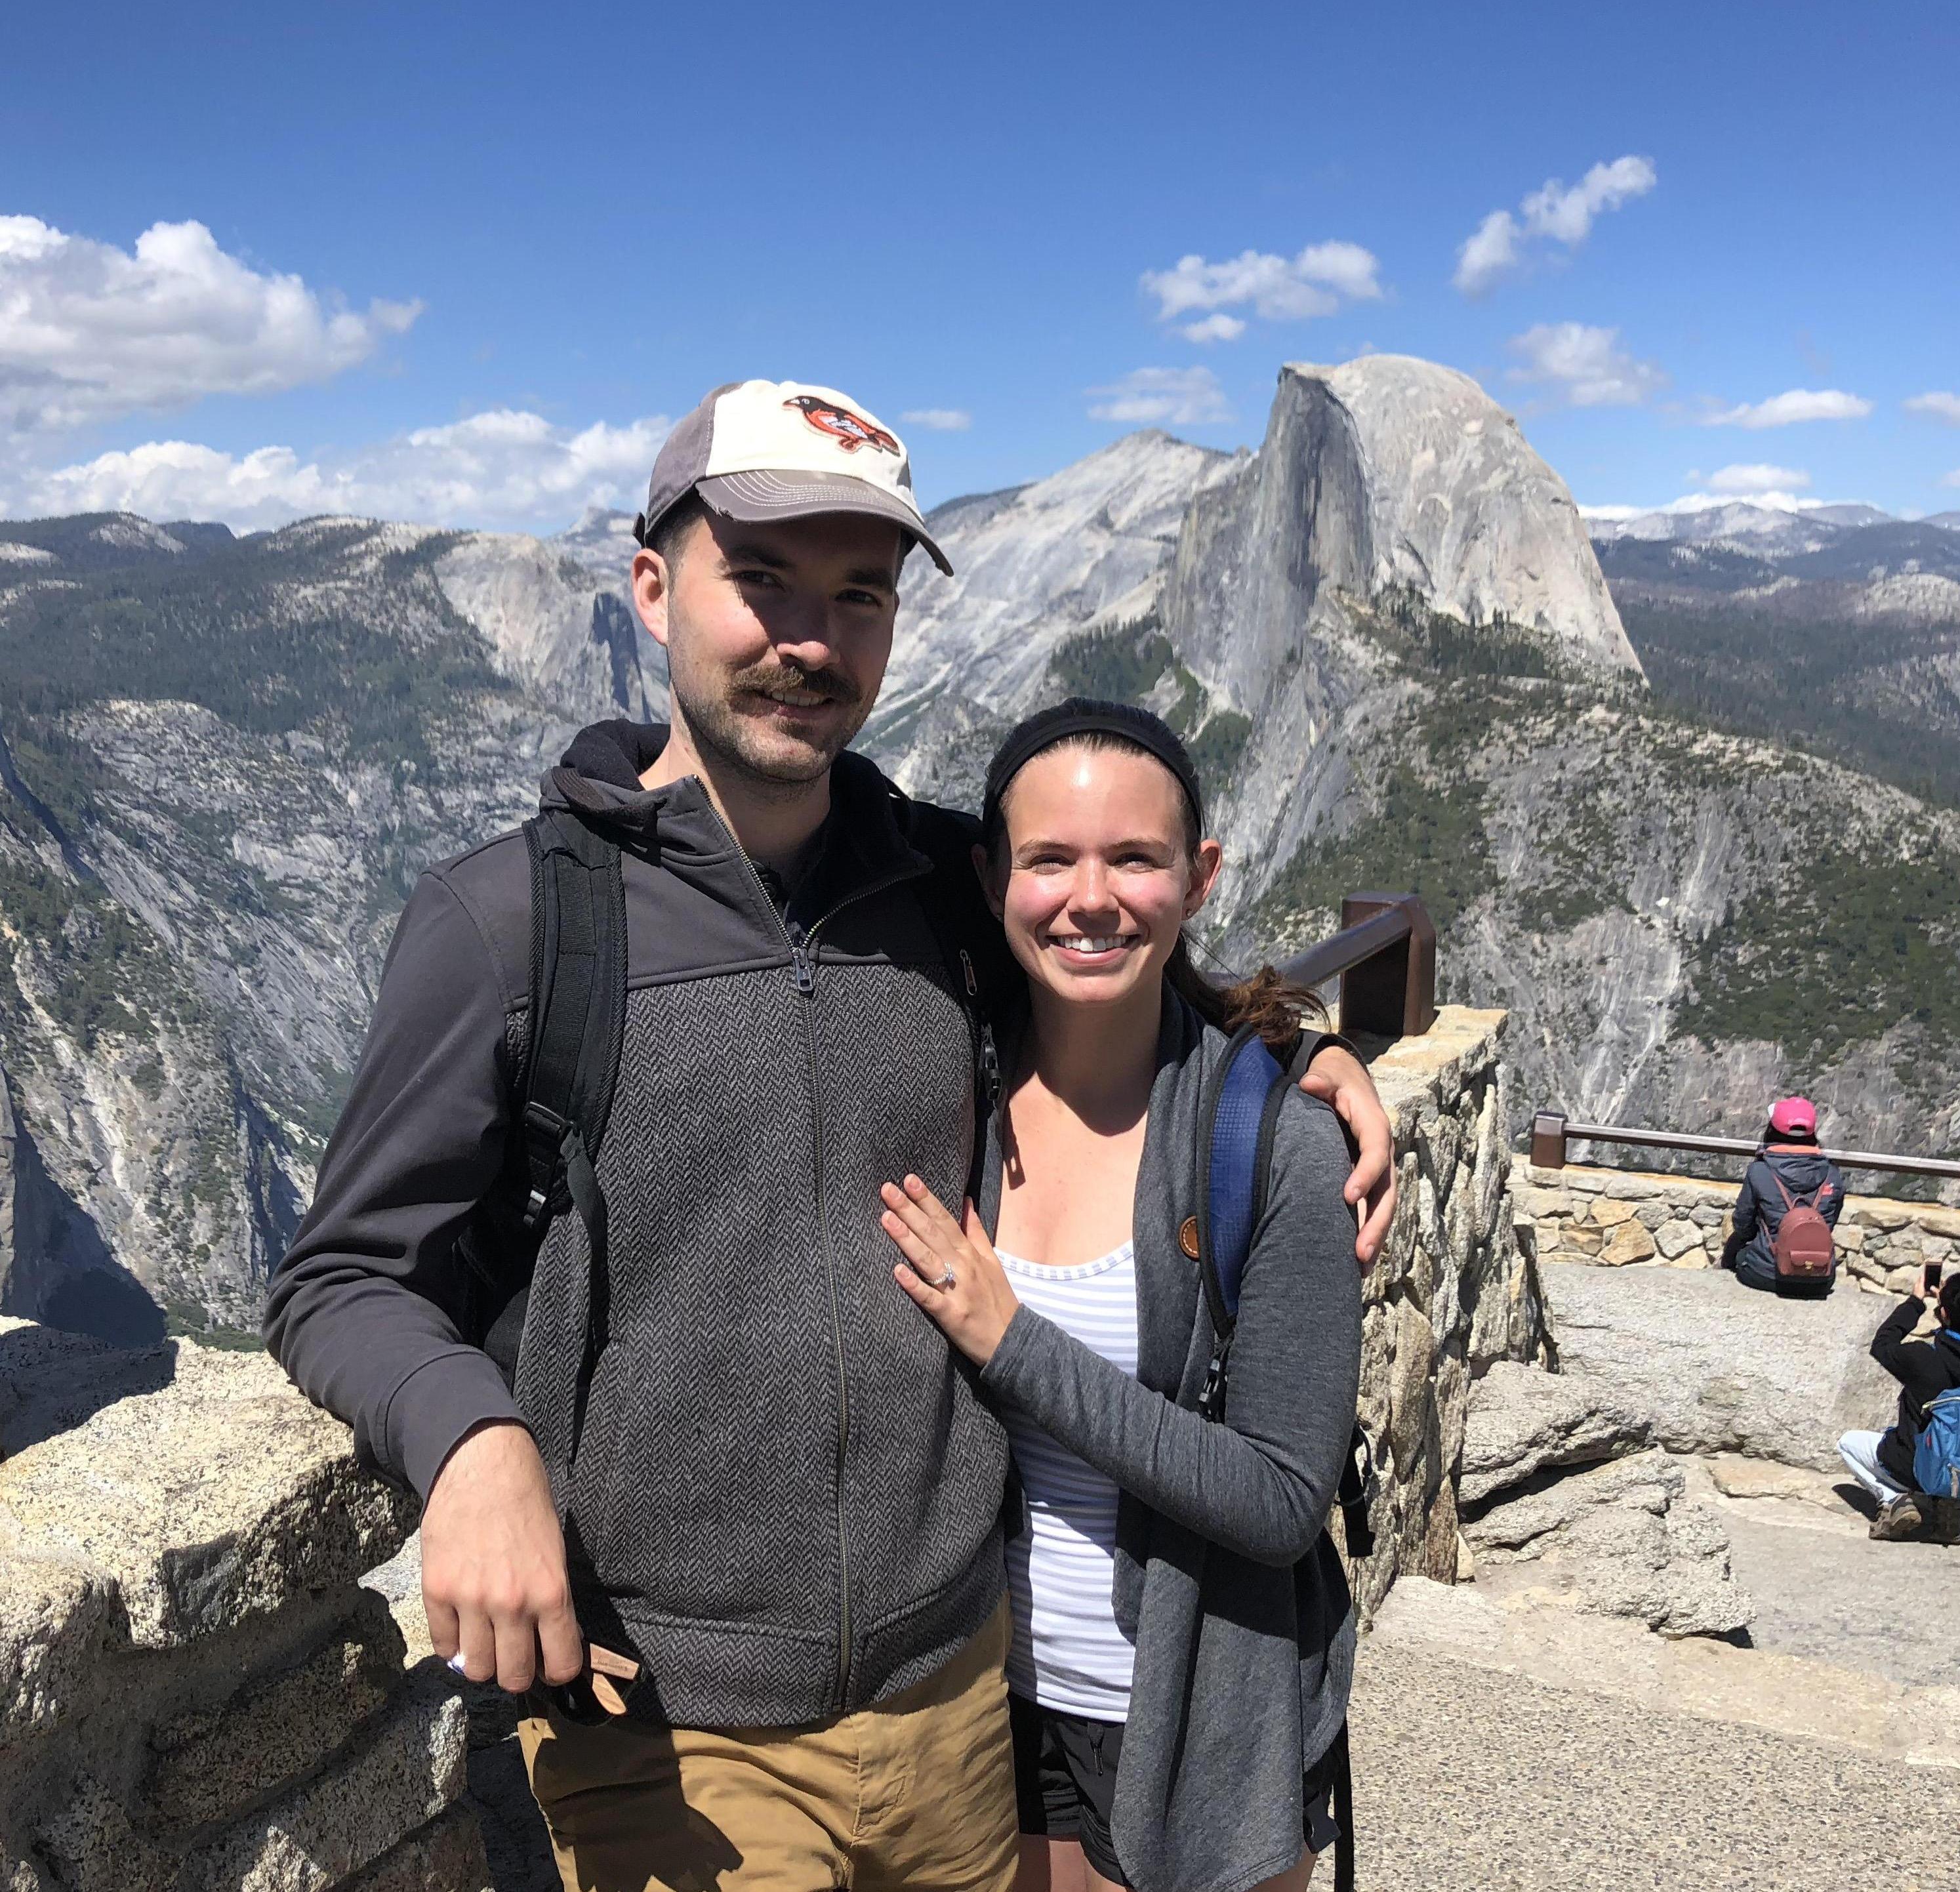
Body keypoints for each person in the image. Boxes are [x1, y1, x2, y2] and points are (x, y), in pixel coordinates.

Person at [264, 380, 1399, 1892]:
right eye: (765, 581)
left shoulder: (937, 882)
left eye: (856, 594)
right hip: (671, 1725)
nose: (810, 637)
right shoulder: (512, 923)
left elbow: (1114, 964)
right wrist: (466, 1440)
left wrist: (1295, 1052)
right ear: (654, 588)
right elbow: (339, 1273)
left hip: (954, 1694)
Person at [878, 701, 1363, 1892]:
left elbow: (1282, 1495)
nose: (1088, 898)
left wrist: (1015, 1343)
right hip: (987, 1709)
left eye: (1135, 859)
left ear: (1198, 879)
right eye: (1048, 859)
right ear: (992, 875)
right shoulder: (950, 1097)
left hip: (1202, 1719)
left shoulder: (1277, 1146)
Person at [1837, 1265, 1960, 1543]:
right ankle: (1950, 1505)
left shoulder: (1924, 1359)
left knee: (1847, 1443)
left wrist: (1916, 1302)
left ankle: (1897, 1501)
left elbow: (1883, 1343)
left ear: (1944, 1315)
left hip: (1916, 1469)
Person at [1722, 1096, 1844, 1294]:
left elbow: (1743, 1225)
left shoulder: (1760, 1171)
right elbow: (1828, 1223)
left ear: (1772, 1130)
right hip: (1820, 1278)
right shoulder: (1833, 1174)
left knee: (1739, 1255)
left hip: (1767, 1275)